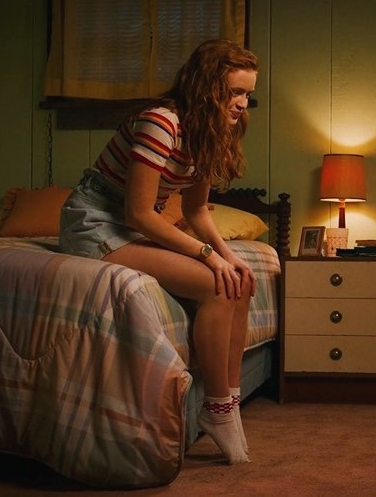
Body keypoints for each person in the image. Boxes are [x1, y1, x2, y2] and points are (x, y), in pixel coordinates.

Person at [58, 39, 259, 465]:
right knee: (215, 285)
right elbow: (138, 213)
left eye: (248, 94)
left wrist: (228, 254)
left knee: (237, 281)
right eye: (234, 92)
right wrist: (207, 256)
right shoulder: (160, 122)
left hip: (131, 224)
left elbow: (196, 210)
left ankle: (226, 404)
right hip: (96, 224)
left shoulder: (210, 130)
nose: (243, 103)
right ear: (206, 87)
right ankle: (218, 409)